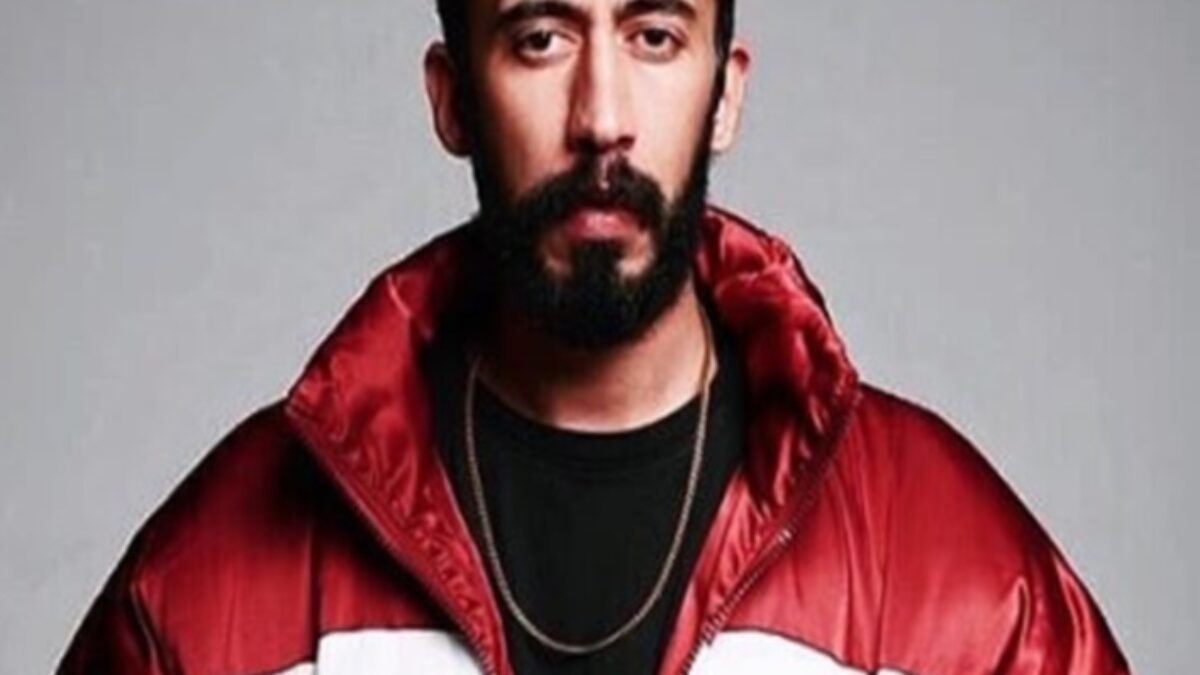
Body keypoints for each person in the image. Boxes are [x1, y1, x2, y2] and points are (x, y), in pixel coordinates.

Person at [58, 1, 1130, 673]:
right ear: (453, 99)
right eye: (541, 38)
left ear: (724, 95)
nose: (602, 114)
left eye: (655, 35)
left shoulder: (961, 583)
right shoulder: (211, 581)